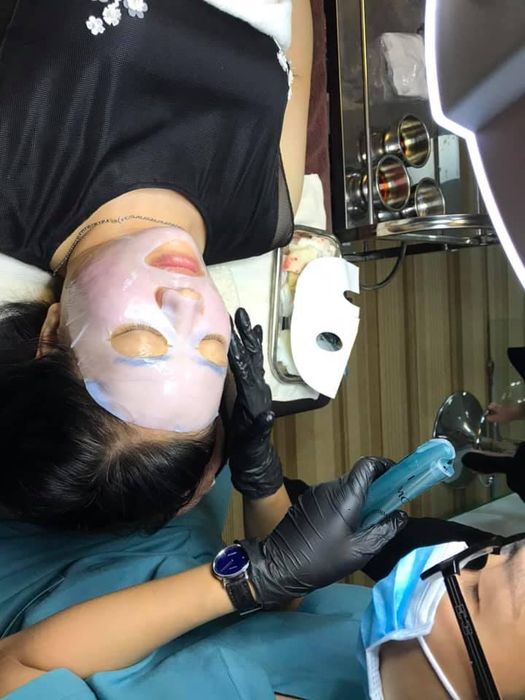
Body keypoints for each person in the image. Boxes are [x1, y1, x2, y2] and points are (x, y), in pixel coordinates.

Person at [0, 0, 313, 530]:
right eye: (210, 348)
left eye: (140, 339)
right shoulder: (263, 215)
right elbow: (296, 56)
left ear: (52, 334)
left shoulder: (13, 179)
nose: (184, 304)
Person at [0, 470, 522, 700]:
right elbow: (285, 614)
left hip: (37, 595)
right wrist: (263, 481)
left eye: (476, 594)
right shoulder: (382, 650)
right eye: (492, 554)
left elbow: (17, 668)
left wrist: (247, 579)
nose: (452, 560)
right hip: (166, 556)